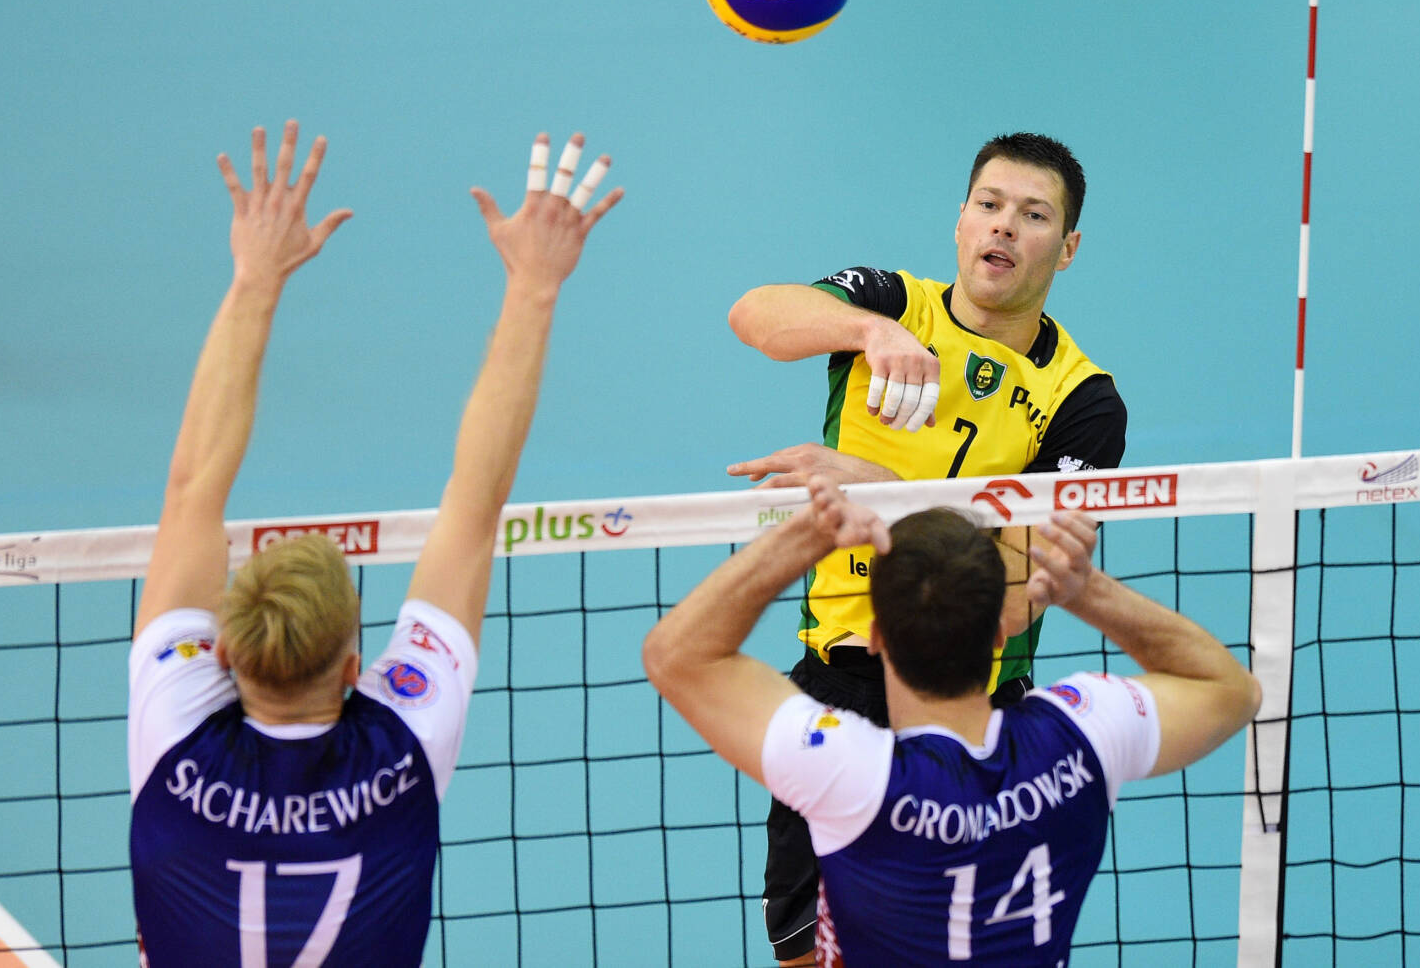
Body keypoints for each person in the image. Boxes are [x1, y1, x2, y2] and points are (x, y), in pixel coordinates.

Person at [127, 121, 622, 965]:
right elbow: (475, 504)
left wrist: (254, 278)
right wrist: (534, 287)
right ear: (356, 669)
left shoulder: (175, 735)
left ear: (228, 656)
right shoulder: (404, 748)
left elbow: (190, 489)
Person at [726, 132, 1126, 963]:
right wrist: (866, 332)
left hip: (975, 707)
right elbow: (755, 315)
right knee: (804, 954)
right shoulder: (889, 303)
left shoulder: (1082, 401)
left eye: (1034, 215)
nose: (1004, 226)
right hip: (839, 687)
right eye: (989, 204)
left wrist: (877, 488)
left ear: (1068, 248)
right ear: (960, 221)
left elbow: (1014, 593)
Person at [643, 476, 1260, 967]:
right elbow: (1231, 691)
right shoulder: (1083, 735)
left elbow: (677, 656)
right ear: (998, 636)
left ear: (876, 636)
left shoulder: (850, 774)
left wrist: (806, 535)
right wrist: (1085, 589)